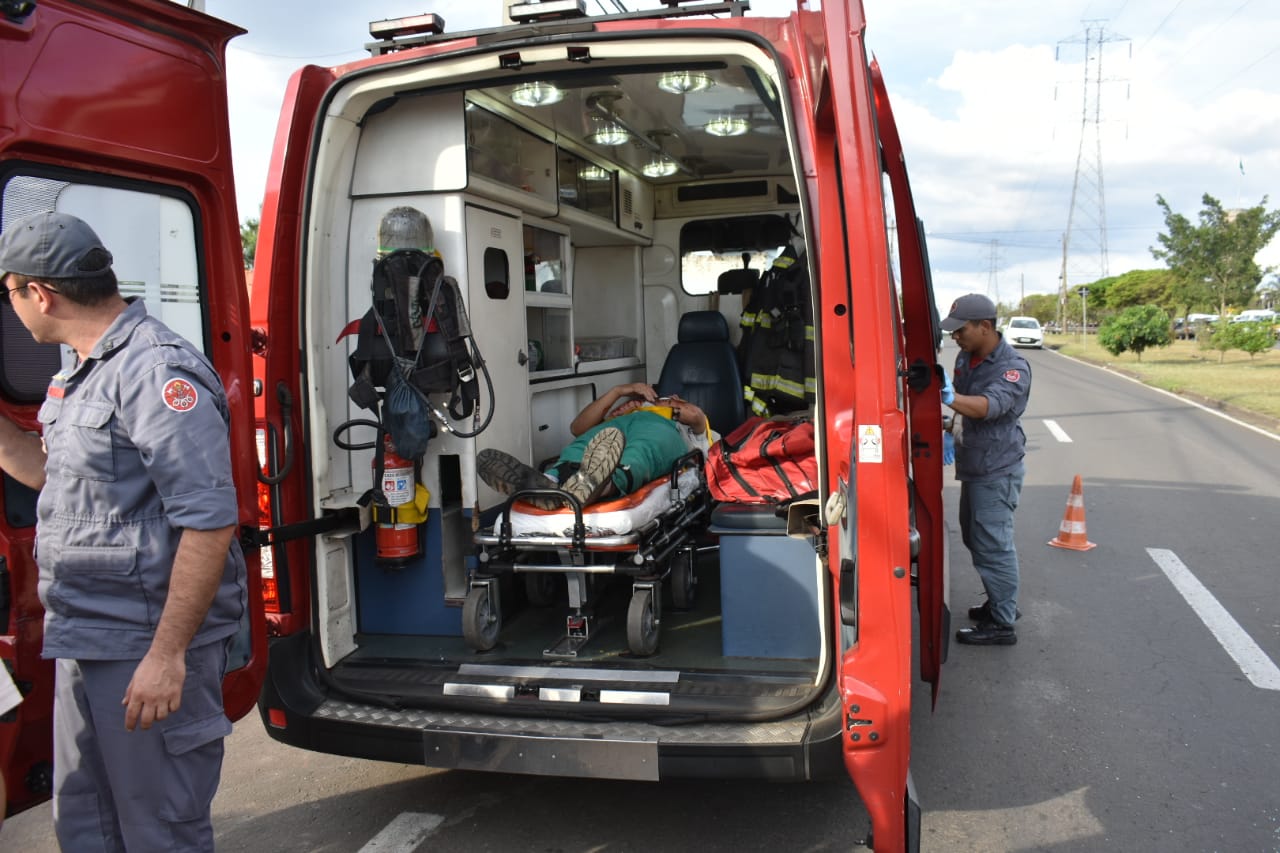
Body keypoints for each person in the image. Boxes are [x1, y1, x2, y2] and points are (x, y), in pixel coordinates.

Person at [0, 212, 247, 850]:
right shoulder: (84, 369)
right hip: (87, 632)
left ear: (40, 293)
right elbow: (57, 477)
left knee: (159, 830)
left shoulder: (155, 372)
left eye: (10, 293)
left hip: (147, 642)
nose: (13, 309)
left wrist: (166, 657)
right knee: (87, 822)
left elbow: (210, 523)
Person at [939, 294, 1031, 646]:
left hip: (997, 469)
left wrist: (948, 398)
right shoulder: (968, 357)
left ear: (985, 327)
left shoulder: (1013, 367)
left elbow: (988, 406)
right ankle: (999, 600)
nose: (955, 338)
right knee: (974, 537)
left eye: (960, 331)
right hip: (975, 463)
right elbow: (964, 403)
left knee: (994, 545)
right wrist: (951, 426)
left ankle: (1002, 623)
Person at [478, 382, 714, 508]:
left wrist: (659, 407)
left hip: (658, 427)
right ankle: (549, 483)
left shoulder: (686, 428)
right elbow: (577, 427)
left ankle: (604, 484)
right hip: (620, 428)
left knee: (641, 451)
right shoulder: (619, 418)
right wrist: (621, 392)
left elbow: (696, 416)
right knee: (580, 446)